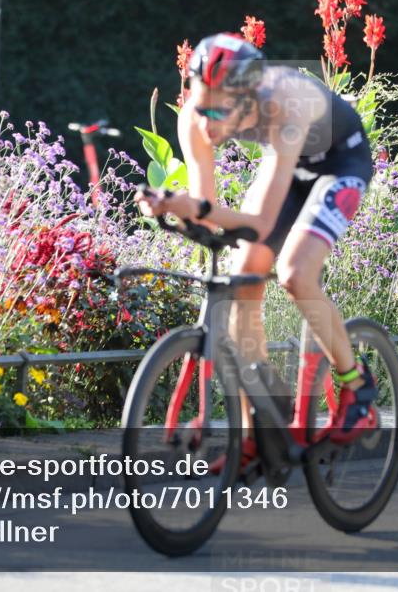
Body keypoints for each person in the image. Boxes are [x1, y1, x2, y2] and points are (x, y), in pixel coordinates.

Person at [135, 32, 378, 464]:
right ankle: (262, 427)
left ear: (248, 101)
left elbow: (260, 223)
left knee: (294, 273)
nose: (207, 124)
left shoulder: (284, 102)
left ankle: (357, 387)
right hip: (289, 165)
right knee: (242, 281)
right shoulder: (195, 117)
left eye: (219, 111)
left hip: (339, 164)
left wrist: (193, 206)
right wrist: (175, 207)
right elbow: (206, 210)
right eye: (200, 104)